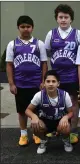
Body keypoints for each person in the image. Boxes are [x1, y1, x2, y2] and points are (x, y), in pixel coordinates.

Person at [44, 4, 80, 144]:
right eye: (60, 17)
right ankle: (56, 129)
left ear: (71, 19)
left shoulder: (78, 34)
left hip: (72, 76)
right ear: (56, 19)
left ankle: (73, 131)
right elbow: (47, 53)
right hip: (56, 77)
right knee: (55, 104)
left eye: (66, 17)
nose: (63, 20)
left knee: (73, 103)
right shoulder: (51, 34)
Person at [6, 15, 48, 146]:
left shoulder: (39, 44)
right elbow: (9, 65)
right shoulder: (12, 44)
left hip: (36, 84)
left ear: (32, 28)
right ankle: (23, 134)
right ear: (18, 28)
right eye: (22, 27)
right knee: (22, 111)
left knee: (37, 110)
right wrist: (11, 83)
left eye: (28, 27)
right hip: (20, 84)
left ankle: (36, 133)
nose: (25, 29)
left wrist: (43, 81)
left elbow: (44, 64)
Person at [25, 70, 74, 154]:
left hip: (60, 121)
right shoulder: (39, 95)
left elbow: (71, 112)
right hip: (45, 121)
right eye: (48, 81)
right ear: (44, 83)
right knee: (34, 126)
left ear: (58, 83)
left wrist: (66, 117)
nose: (51, 84)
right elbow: (27, 110)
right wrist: (34, 116)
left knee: (66, 126)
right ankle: (43, 141)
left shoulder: (65, 95)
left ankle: (66, 140)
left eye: (53, 81)